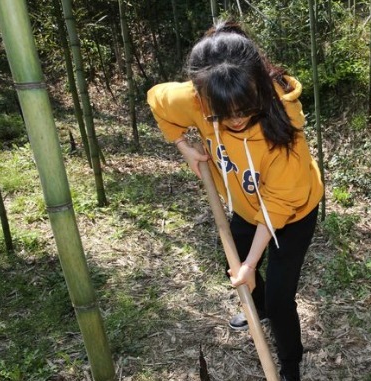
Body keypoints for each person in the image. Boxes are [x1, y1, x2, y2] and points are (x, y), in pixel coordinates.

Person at [147, 21, 323, 381]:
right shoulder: (196, 97)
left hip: (292, 213)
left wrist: (252, 261)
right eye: (224, 115)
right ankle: (254, 308)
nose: (237, 120)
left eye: (244, 109)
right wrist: (184, 147)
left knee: (279, 297)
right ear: (201, 96)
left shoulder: (284, 122)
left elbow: (277, 206)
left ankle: (290, 365)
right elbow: (156, 99)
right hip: (244, 205)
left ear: (257, 84)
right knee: (241, 269)